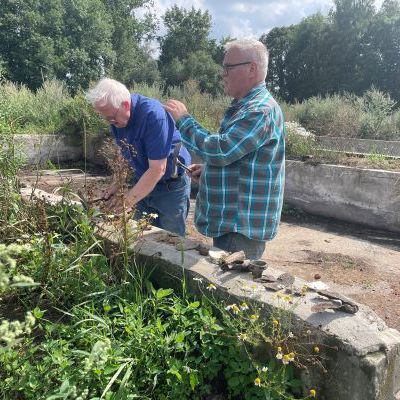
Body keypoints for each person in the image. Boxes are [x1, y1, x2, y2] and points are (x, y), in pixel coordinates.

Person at [164, 39, 285, 259]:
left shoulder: (260, 110)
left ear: (252, 69)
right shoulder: (247, 107)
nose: (223, 74)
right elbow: (237, 157)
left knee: (230, 278)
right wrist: (209, 170)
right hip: (234, 224)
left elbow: (221, 150)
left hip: (240, 228)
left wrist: (183, 120)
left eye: (228, 67)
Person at [86, 78, 191, 236]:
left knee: (171, 239)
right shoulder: (117, 121)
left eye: (111, 118)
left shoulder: (153, 115)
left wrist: (126, 202)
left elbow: (157, 169)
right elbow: (124, 155)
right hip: (142, 184)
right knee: (142, 236)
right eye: (106, 118)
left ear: (125, 105)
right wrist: (117, 183)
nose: (110, 122)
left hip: (170, 187)